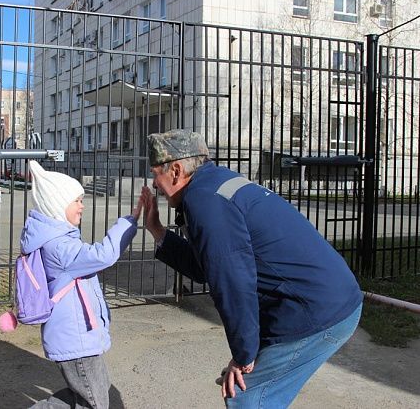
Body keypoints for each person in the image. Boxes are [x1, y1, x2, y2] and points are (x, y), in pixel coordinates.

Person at [140, 129, 363, 408]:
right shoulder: (215, 182)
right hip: (326, 298)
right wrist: (157, 230)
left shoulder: (204, 201)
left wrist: (244, 356)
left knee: (248, 398)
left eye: (155, 174)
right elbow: (208, 267)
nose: (154, 184)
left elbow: (233, 282)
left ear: (175, 171)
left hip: (315, 311)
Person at [24, 161, 141, 409]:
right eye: (77, 201)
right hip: (75, 340)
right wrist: (131, 221)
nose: (82, 206)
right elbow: (103, 255)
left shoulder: (59, 238)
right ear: (58, 204)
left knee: (86, 392)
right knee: (95, 400)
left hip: (77, 336)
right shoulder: (59, 246)